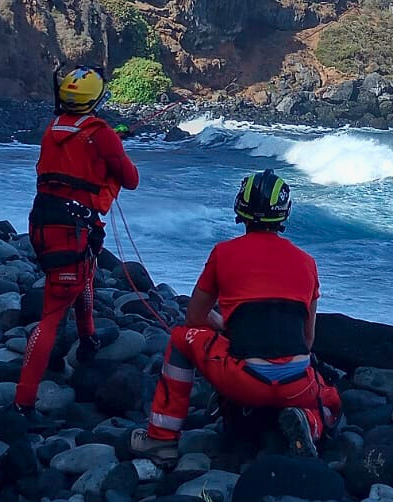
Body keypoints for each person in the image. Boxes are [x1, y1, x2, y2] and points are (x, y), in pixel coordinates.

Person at [134, 170, 341, 461]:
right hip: (297, 383)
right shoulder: (308, 263)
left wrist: (223, 324)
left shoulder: (223, 253)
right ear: (284, 212)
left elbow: (194, 317)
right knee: (331, 401)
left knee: (181, 338)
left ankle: (161, 439)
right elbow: (307, 341)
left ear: (239, 208)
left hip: (245, 381)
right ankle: (310, 422)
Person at [15, 66, 139, 413]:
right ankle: (23, 402)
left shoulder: (53, 128)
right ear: (96, 99)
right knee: (52, 314)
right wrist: (114, 144)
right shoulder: (101, 134)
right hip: (70, 230)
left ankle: (88, 340)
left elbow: (77, 149)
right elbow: (130, 179)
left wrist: (112, 138)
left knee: (84, 273)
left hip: (42, 223)